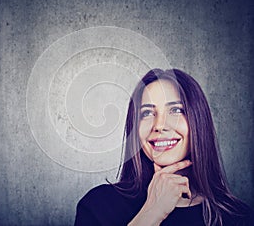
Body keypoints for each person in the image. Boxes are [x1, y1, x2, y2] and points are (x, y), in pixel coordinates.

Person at [74, 69, 254, 226]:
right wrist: (152, 213)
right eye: (147, 113)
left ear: (199, 121)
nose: (159, 125)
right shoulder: (98, 206)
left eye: (176, 110)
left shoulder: (237, 217)